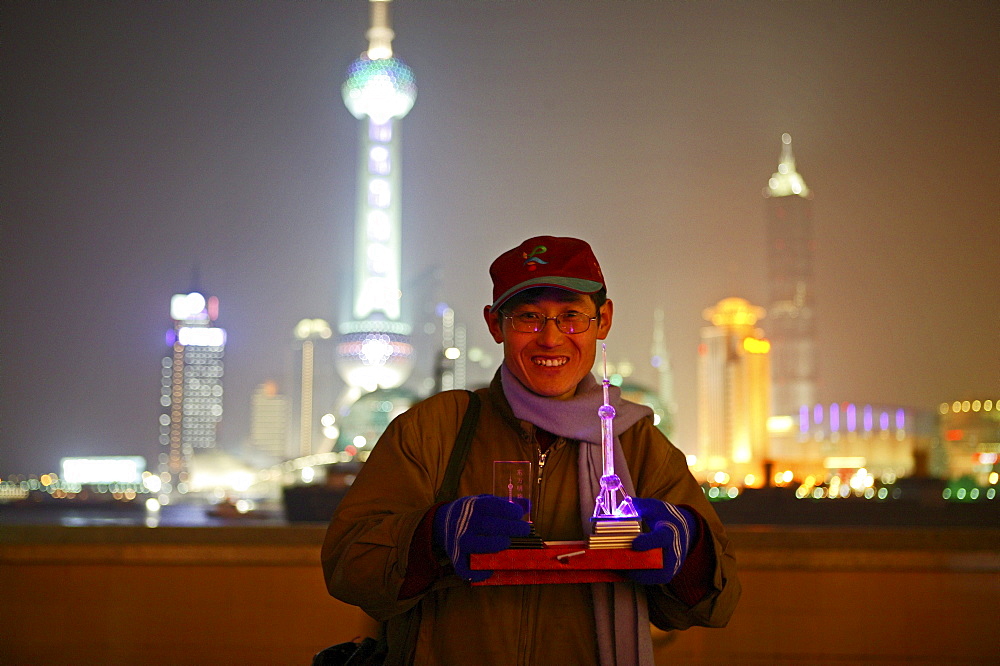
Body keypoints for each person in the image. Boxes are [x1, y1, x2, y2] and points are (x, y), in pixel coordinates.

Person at [321, 236, 740, 665]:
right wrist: (433, 537)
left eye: (571, 316)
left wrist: (689, 546)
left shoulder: (636, 443)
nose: (551, 339)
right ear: (494, 324)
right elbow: (347, 567)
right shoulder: (436, 430)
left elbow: (716, 605)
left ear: (604, 319)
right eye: (529, 318)